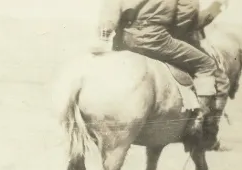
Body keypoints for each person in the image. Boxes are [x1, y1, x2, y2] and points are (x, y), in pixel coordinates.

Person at [94, 0, 220, 143]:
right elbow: (186, 19)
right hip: (154, 39)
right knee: (207, 64)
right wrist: (217, 7)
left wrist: (106, 31)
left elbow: (111, 8)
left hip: (123, 39)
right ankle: (199, 121)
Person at [172, 0, 230, 149]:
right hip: (181, 41)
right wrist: (217, 5)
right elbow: (191, 22)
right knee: (221, 82)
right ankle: (208, 135)